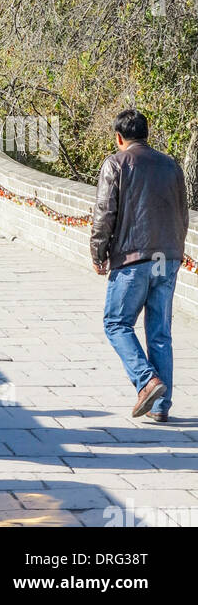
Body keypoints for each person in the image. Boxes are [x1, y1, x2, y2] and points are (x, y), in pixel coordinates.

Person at [92, 109, 188, 422]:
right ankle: (161, 407)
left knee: (116, 323)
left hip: (134, 260)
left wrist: (98, 253)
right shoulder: (171, 165)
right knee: (160, 332)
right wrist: (176, 250)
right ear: (146, 135)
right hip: (166, 258)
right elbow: (182, 214)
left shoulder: (116, 163)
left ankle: (147, 381)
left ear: (119, 138)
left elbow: (105, 213)